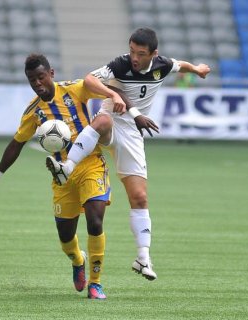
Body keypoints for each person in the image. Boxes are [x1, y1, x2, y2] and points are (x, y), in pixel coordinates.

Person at [46, 27, 211, 281]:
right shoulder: (121, 64)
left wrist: (198, 69)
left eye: (140, 53)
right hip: (110, 120)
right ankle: (67, 168)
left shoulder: (162, 65)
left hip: (133, 133)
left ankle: (143, 258)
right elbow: (89, 79)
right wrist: (112, 93)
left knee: (140, 197)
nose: (134, 57)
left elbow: (181, 65)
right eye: (132, 50)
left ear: (153, 54)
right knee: (102, 121)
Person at [0, 53, 125, 299]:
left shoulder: (75, 90)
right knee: (66, 236)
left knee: (95, 221)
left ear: (51, 74)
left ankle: (96, 283)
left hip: (91, 164)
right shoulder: (33, 112)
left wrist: (126, 105)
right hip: (61, 176)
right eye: (32, 79)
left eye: (41, 77)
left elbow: (108, 90)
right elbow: (16, 144)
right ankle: (78, 260)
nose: (37, 83)